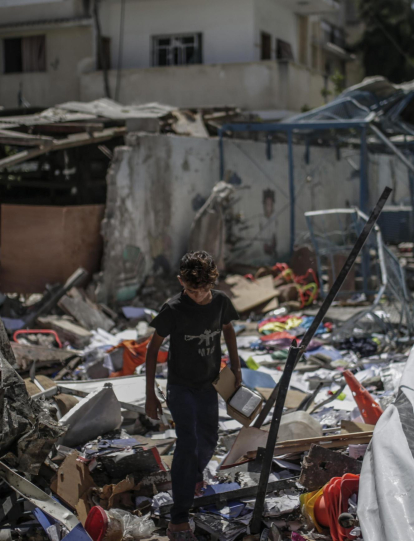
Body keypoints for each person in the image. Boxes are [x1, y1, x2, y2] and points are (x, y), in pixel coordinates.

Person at [145, 251, 241, 540]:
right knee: (187, 442)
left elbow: (229, 331)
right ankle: (179, 517)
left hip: (209, 385)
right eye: (191, 290)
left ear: (213, 282)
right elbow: (152, 350)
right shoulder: (173, 309)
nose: (198, 296)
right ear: (180, 282)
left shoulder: (221, 302)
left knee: (209, 439)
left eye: (203, 289)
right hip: (180, 386)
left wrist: (236, 369)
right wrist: (150, 394)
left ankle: (190, 476)